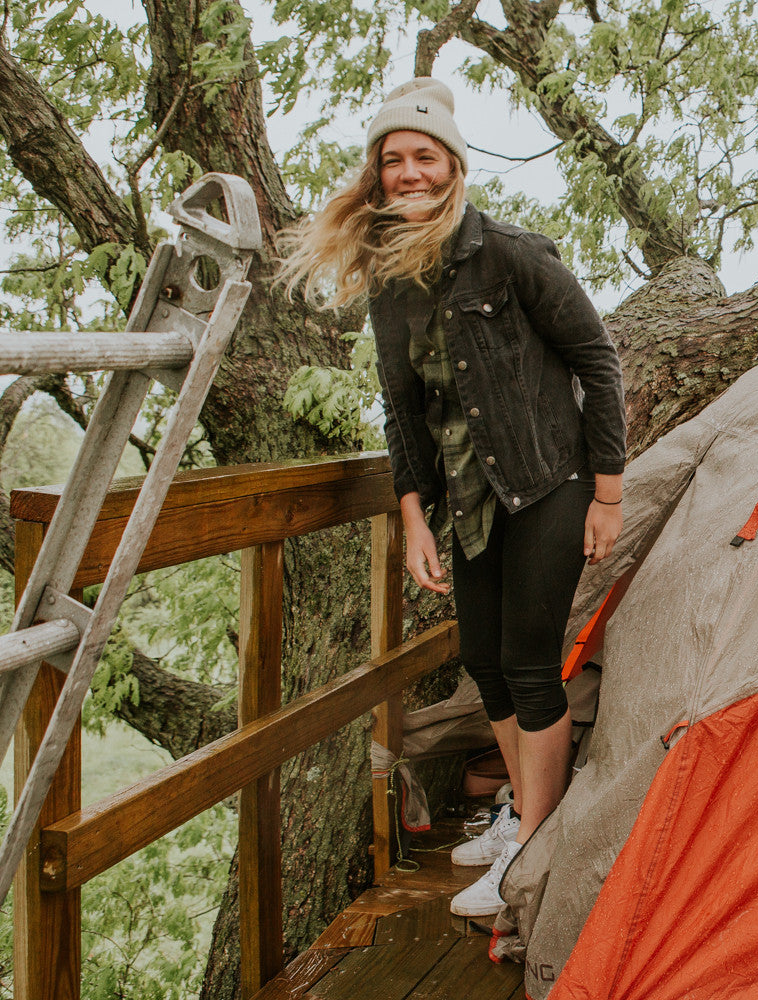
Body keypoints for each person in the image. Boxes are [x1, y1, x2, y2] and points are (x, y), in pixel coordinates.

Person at [277, 78, 626, 919]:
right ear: (376, 175)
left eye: (422, 157)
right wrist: (410, 517)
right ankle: (524, 815)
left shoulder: (513, 253)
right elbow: (402, 411)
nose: (407, 173)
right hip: (469, 505)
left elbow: (600, 363)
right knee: (485, 666)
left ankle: (531, 853)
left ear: (455, 167)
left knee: (531, 669)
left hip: (549, 485)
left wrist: (607, 497)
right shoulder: (391, 285)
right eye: (392, 160)